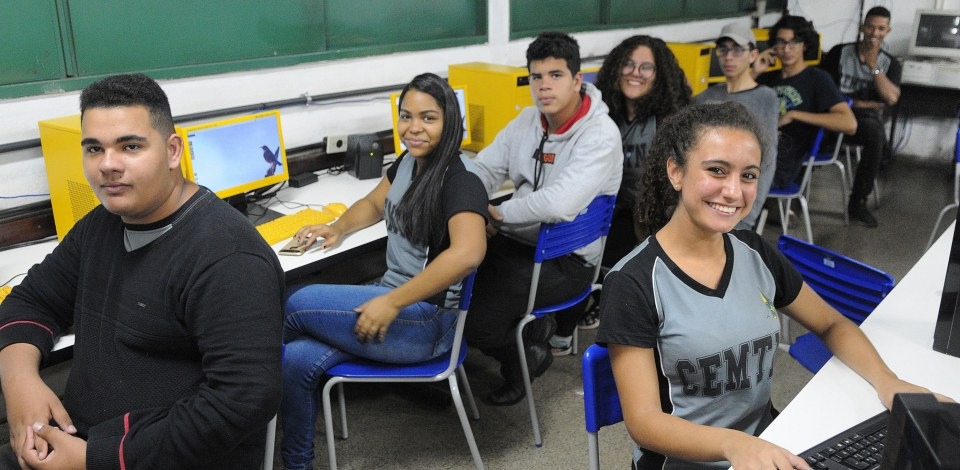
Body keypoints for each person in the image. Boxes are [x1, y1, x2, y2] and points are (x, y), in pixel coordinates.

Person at [595, 102, 940, 469]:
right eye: (716, 170)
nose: (733, 191)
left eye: (748, 176)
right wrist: (736, 446)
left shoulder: (754, 251)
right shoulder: (632, 282)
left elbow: (831, 323)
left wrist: (888, 381)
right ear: (676, 172)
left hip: (767, 446)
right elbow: (645, 423)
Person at [0, 73, 284, 469]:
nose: (108, 165)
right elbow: (31, 300)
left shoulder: (229, 257)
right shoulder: (100, 225)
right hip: (80, 441)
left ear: (172, 151)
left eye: (130, 146)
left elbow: (241, 402)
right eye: (94, 149)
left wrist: (93, 459)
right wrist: (21, 387)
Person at [279, 72, 488, 469]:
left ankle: (243, 412)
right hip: (395, 303)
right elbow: (374, 204)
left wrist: (391, 302)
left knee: (297, 302)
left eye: (428, 118)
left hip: (426, 323)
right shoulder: (409, 162)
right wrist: (337, 227)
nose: (414, 128)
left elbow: (468, 253)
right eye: (406, 116)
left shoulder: (461, 181)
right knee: (296, 359)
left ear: (450, 122)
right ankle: (295, 463)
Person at [465, 31, 622, 405]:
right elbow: (484, 168)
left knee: (475, 324)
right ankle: (532, 331)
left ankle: (525, 358)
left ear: (576, 80)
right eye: (537, 77)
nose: (544, 86)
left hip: (566, 262)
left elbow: (559, 205)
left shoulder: (600, 136)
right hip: (515, 244)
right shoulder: (526, 122)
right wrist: (471, 203)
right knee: (447, 283)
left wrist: (497, 214)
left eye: (555, 75)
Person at [594, 34, 691, 266]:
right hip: (613, 214)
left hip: (660, 219)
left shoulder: (671, 119)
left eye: (646, 67)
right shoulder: (603, 115)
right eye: (628, 63)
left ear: (659, 75)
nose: (635, 72)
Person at [755, 16, 857, 199]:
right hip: (753, 152)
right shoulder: (767, 78)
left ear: (804, 45)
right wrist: (754, 72)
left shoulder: (817, 78)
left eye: (793, 43)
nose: (786, 49)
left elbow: (849, 123)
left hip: (780, 163)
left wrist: (794, 115)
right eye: (781, 42)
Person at [694, 22, 779, 231]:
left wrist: (749, 216)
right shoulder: (705, 97)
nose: (729, 57)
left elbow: (767, 159)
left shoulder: (765, 98)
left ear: (752, 55)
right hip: (705, 196)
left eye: (737, 50)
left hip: (737, 202)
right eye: (723, 50)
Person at [821, 6, 901, 228]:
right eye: (870, 27)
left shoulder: (890, 64)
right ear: (862, 27)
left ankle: (857, 202)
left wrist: (873, 64)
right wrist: (860, 103)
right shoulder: (839, 53)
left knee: (876, 136)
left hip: (863, 123)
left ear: (888, 31)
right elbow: (824, 90)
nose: (874, 33)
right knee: (804, 125)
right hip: (834, 112)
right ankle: (793, 194)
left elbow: (891, 98)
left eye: (881, 29)